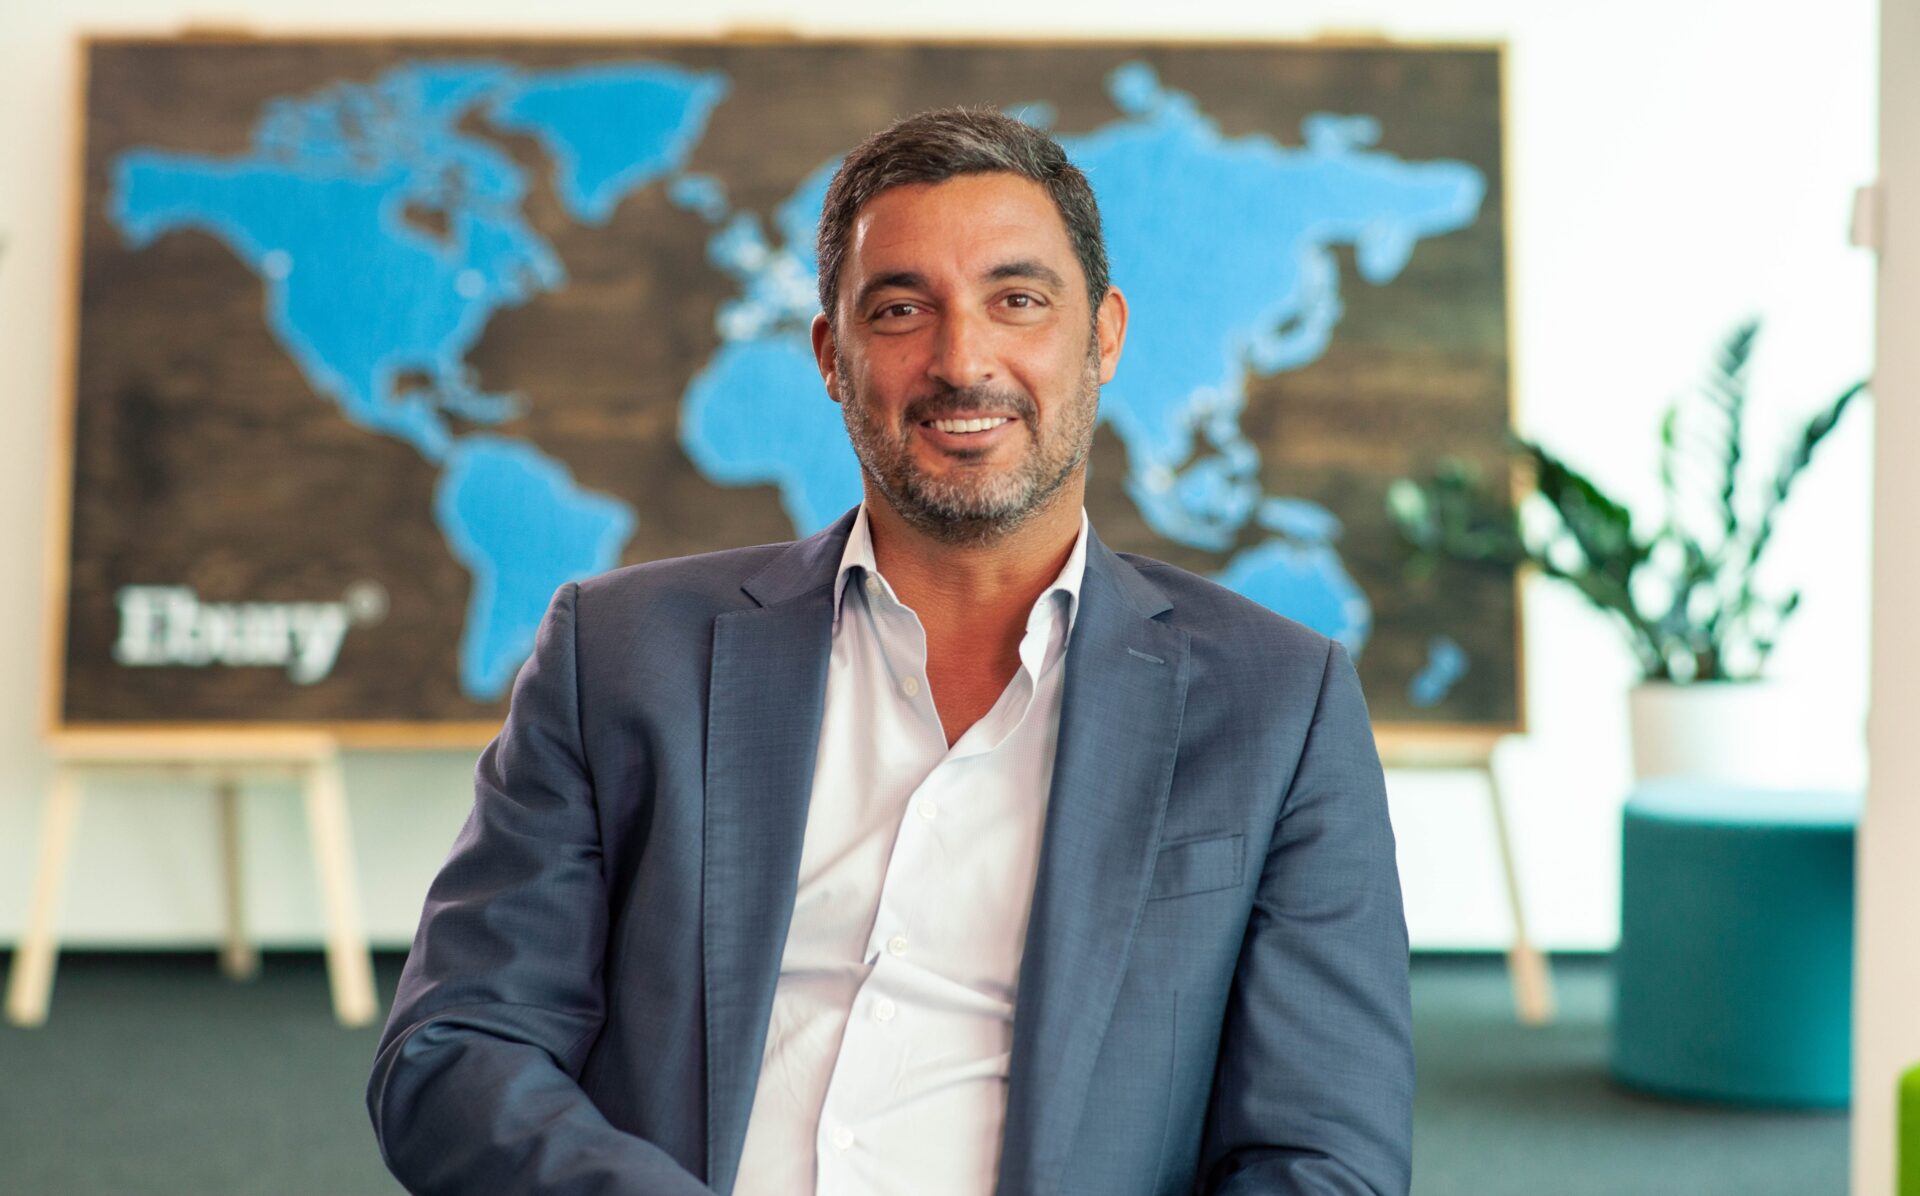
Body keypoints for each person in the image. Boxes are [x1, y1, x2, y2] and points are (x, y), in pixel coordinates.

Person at [369, 107, 1413, 1196]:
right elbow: (456, 1049)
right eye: (902, 309)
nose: (962, 361)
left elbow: (1324, 1158)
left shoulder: (1278, 706)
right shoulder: (620, 655)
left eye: (1018, 300)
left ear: (1103, 336)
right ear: (834, 355)